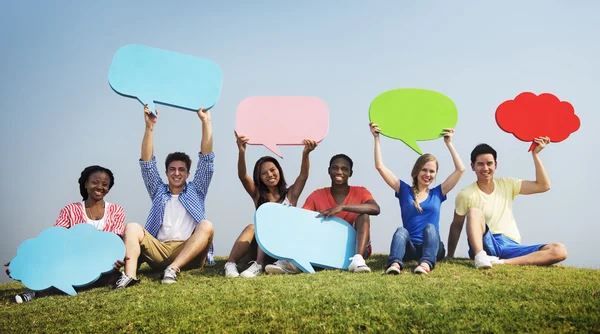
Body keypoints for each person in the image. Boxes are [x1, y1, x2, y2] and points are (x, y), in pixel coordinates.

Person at [114, 105, 215, 288]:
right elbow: (147, 164)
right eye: (172, 169)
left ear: (188, 174)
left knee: (206, 225)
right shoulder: (158, 190)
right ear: (167, 172)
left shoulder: (196, 190)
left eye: (181, 170)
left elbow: (206, 160)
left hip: (189, 250)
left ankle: (173, 269)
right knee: (132, 227)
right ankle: (129, 276)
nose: (177, 173)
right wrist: (149, 127)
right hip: (159, 250)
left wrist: (206, 122)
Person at [6, 165, 126, 303]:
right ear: (86, 183)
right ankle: (35, 290)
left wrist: (117, 259)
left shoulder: (117, 210)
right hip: (73, 265)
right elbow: (54, 240)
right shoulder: (70, 210)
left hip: (104, 268)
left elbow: (116, 241)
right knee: (61, 274)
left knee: (107, 278)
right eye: (95, 182)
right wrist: (25, 260)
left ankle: (36, 293)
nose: (100, 187)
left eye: (105, 184)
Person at [446, 140, 567, 269]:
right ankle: (481, 256)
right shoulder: (466, 194)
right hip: (486, 243)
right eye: (480, 164)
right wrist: (450, 255)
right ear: (472, 166)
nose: (485, 168)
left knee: (559, 250)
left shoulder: (507, 184)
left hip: (511, 246)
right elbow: (456, 225)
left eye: (489, 164)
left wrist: (535, 154)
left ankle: (502, 262)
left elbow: (543, 186)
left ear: (496, 165)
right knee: (474, 212)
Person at [370, 123, 465, 275]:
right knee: (401, 230)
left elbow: (461, 170)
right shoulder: (404, 190)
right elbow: (380, 166)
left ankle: (426, 263)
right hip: (411, 248)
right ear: (416, 171)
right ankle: (395, 264)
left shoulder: (438, 193)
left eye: (432, 171)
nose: (428, 174)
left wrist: (449, 143)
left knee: (430, 228)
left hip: (433, 247)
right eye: (424, 170)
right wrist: (376, 138)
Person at [266, 153, 381, 274]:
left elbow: (375, 208)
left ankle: (358, 261)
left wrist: (342, 207)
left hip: (355, 248)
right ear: (329, 171)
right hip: (326, 247)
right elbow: (303, 220)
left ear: (350, 173)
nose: (339, 172)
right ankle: (293, 263)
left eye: (344, 169)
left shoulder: (360, 191)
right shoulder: (317, 195)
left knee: (364, 216)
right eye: (335, 168)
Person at [224, 132, 318, 278]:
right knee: (252, 227)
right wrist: (241, 152)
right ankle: (232, 264)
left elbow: (303, 176)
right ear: (259, 178)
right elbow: (243, 177)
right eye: (264, 173)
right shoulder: (258, 195)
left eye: (272, 170)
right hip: (262, 246)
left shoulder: (291, 194)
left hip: (284, 245)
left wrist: (306, 154)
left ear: (279, 171)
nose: (270, 175)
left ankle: (262, 264)